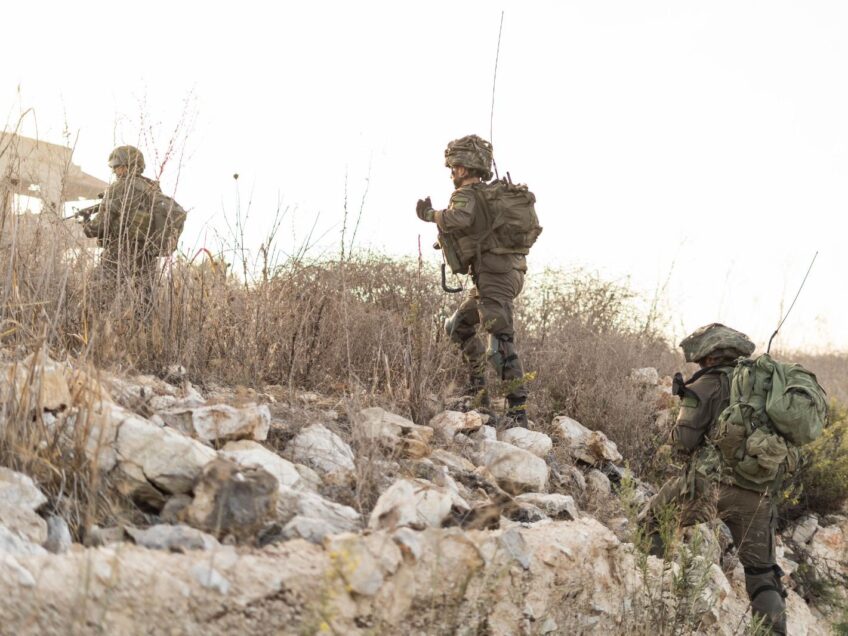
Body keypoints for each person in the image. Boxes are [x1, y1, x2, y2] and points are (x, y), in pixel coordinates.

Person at [642, 323, 787, 634]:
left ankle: (648, 601)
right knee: (762, 575)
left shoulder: (705, 384)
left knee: (651, 522)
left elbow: (683, 441)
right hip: (757, 494)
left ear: (707, 355)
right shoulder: (764, 386)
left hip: (708, 486)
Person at [415, 134, 530, 427]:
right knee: (458, 326)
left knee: (499, 341)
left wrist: (430, 214)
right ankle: (479, 393)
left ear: (464, 169)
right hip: (499, 275)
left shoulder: (466, 195)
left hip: (496, 277)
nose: (452, 173)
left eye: (453, 167)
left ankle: (518, 412)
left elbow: (458, 219)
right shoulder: (485, 196)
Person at [83, 145, 161, 314]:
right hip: (147, 259)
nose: (115, 171)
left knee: (95, 299)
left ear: (127, 166)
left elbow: (96, 228)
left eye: (117, 167)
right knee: (143, 309)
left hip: (118, 255)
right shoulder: (153, 188)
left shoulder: (118, 188)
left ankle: (99, 336)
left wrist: (85, 223)